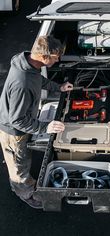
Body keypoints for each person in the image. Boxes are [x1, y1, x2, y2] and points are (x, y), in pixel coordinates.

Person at [0, 35, 73, 209]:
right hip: (13, 133)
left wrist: (58, 87)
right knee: (19, 165)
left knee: (20, 160)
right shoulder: (22, 83)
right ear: (44, 57)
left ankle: (19, 185)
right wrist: (45, 126)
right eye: (56, 58)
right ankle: (25, 193)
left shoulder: (27, 62)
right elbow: (17, 120)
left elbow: (38, 80)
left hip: (20, 122)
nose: (58, 60)